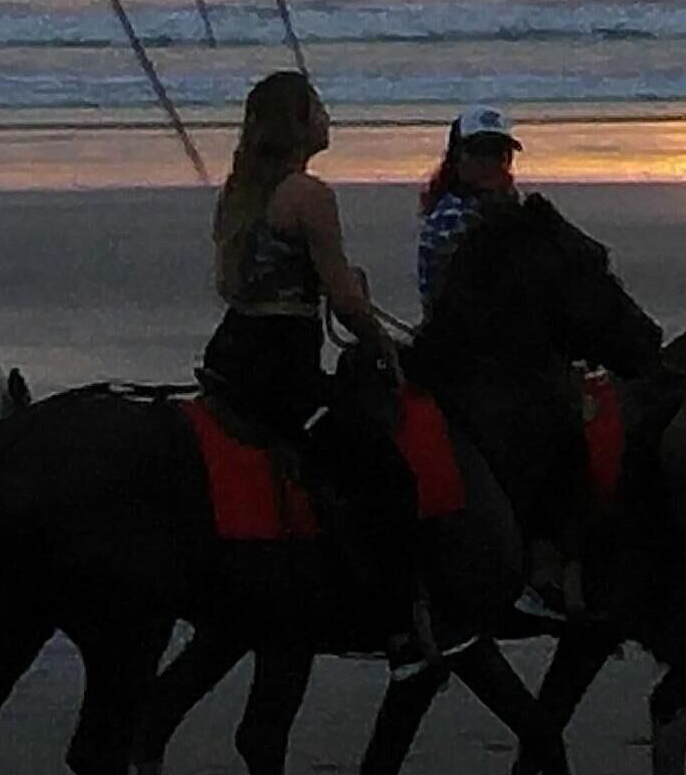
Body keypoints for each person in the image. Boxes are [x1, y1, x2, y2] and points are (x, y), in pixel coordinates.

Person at [202, 68, 433, 666]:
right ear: (299, 125)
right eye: (319, 107)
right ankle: (395, 624)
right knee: (386, 473)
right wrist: (382, 342)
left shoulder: (239, 190)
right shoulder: (309, 195)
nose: (330, 116)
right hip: (281, 365)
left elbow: (236, 282)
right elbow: (346, 301)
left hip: (233, 352)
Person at [417, 103, 523, 315]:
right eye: (478, 152)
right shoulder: (452, 219)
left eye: (497, 153)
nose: (488, 163)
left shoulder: (508, 210)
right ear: (457, 157)